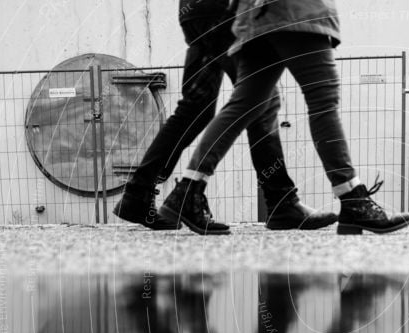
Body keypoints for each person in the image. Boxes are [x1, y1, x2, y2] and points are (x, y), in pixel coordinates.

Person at [160, 0, 409, 235]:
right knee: (322, 100)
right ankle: (353, 199)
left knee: (245, 103)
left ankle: (188, 188)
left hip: (253, 20)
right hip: (296, 12)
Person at [113, 0, 336, 233]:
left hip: (195, 14)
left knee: (196, 106)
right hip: (223, 11)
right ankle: (281, 202)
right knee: (263, 97)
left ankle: (137, 194)